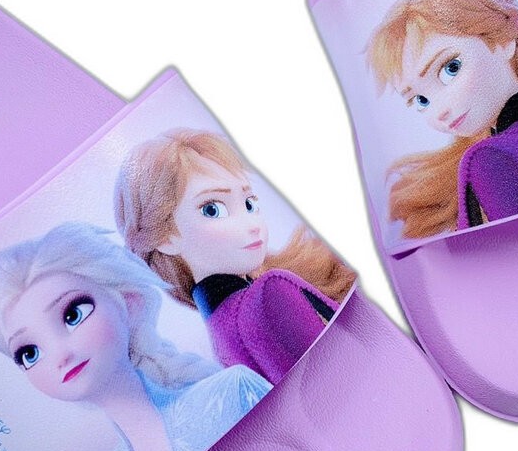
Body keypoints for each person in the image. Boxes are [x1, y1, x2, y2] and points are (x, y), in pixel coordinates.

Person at [0, 222, 270, 451]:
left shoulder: (231, 391)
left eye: (73, 315)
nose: (60, 355)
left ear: (129, 303)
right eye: (29, 352)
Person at [114, 130, 355, 383]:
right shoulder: (270, 294)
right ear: (165, 238)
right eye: (212, 209)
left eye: (250, 204)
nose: (253, 225)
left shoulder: (222, 333)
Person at [367, 0, 518, 239]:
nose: (440, 110)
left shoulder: (492, 158)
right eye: (421, 100)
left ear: (503, 41)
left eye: (451, 68)